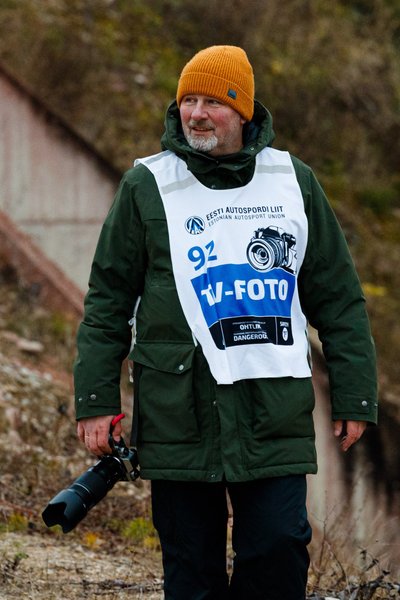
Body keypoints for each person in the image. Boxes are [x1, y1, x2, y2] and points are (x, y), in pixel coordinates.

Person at [74, 46, 378, 599]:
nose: (195, 113)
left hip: (273, 411)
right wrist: (96, 400)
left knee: (279, 549)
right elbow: (108, 301)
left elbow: (337, 297)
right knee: (192, 570)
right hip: (177, 414)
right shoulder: (147, 185)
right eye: (187, 99)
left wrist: (356, 395)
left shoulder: (293, 181)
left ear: (241, 109)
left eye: (211, 101)